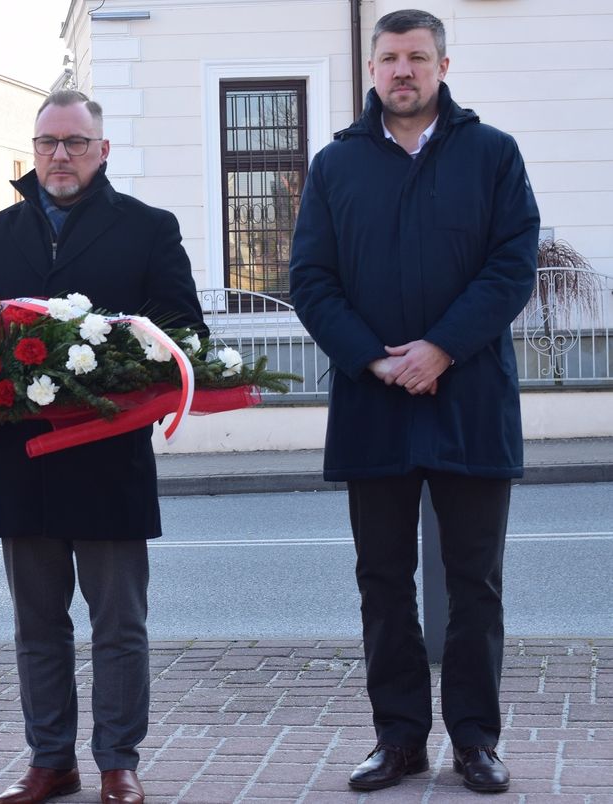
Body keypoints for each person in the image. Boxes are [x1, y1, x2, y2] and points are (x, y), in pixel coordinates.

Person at [288, 8, 539, 795]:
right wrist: (374, 359)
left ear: (443, 64)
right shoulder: (336, 166)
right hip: (374, 403)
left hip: (470, 397)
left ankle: (475, 742)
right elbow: (311, 280)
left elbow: (512, 266)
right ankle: (399, 740)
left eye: (418, 58)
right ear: (372, 69)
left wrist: (440, 350)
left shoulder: (493, 154)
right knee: (384, 582)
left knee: (476, 583)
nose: (404, 71)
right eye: (390, 58)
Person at [0, 89, 206, 804]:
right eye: (48, 144)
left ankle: (118, 760)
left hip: (110, 459)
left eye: (75, 143)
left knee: (118, 622)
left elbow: (185, 334)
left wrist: (121, 366)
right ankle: (50, 760)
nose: (60, 156)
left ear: (103, 150)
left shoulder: (149, 229)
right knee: (38, 625)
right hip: (23, 463)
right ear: (32, 152)